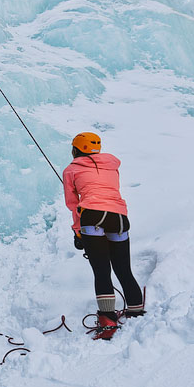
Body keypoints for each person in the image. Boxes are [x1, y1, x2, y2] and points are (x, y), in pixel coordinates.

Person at [62, 132, 145, 340]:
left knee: (102, 270)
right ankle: (136, 309)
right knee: (123, 268)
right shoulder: (112, 166)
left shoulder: (71, 170)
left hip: (92, 217)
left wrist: (77, 232)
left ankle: (108, 320)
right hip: (119, 217)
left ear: (76, 149)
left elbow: (73, 205)